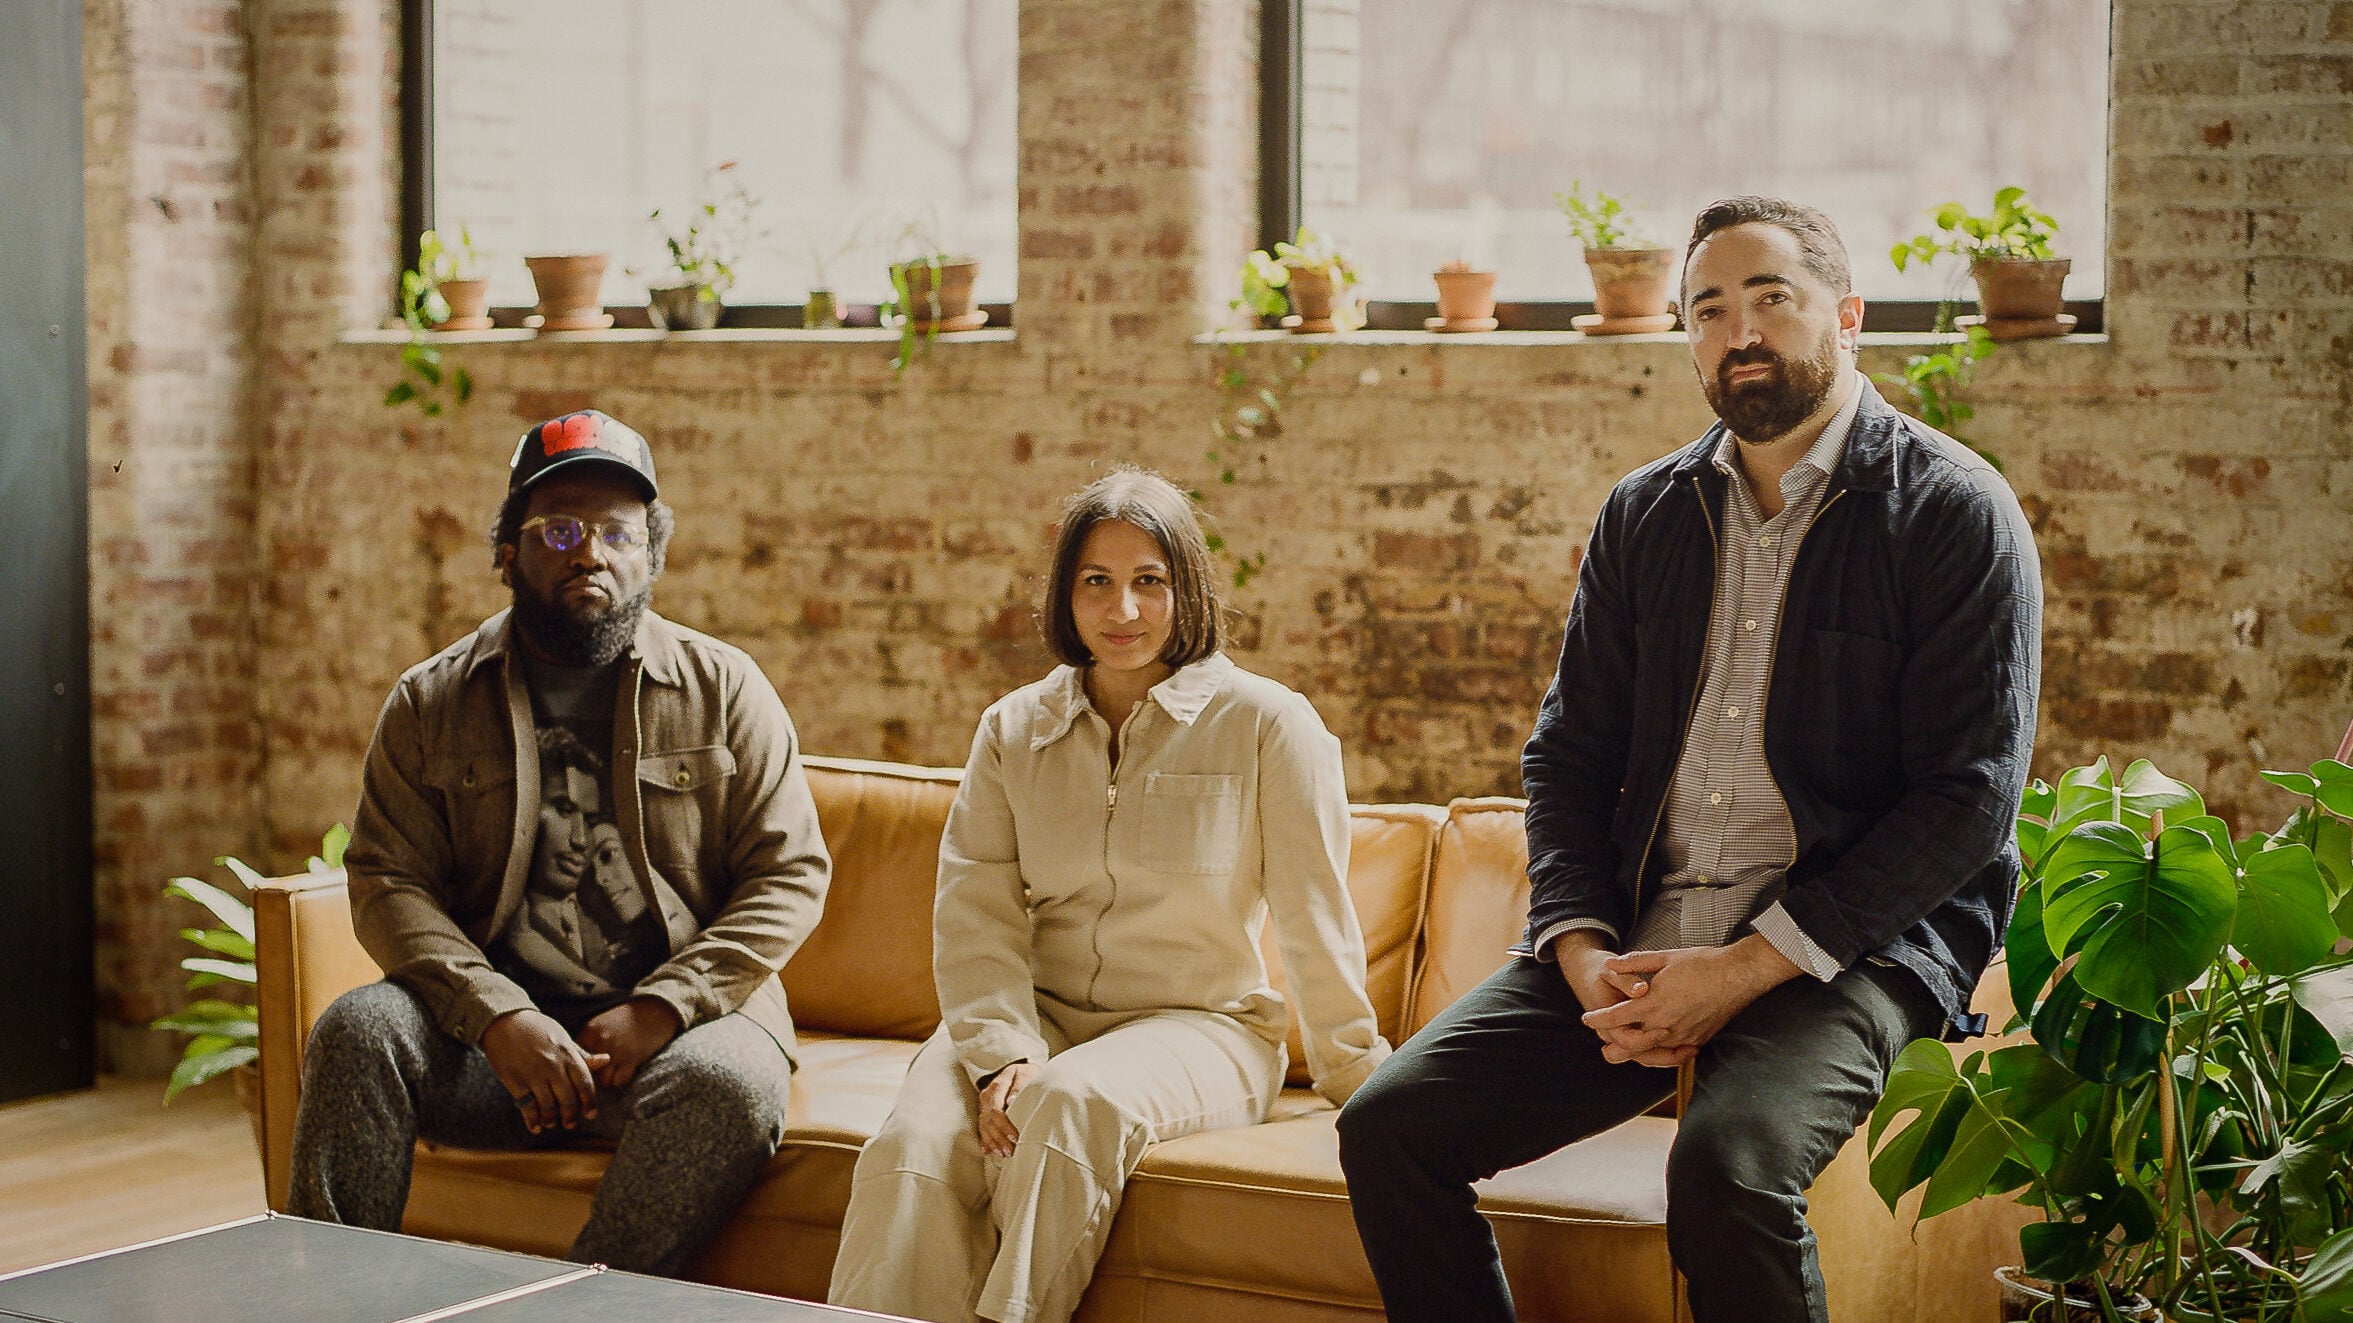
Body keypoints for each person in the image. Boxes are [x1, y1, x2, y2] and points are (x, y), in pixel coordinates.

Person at [1336, 197, 2043, 1323]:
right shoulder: (1644, 515)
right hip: (1638, 934)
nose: (1738, 332)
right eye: (1707, 310)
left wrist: (1745, 967)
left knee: (1722, 1174)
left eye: (1771, 299)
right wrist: (1578, 948)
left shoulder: (1954, 512)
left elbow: (1969, 800)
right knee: (1388, 1127)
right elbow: (1568, 755)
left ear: (1848, 317)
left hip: (1847, 951)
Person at [827, 468, 1392, 1323]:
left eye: (1148, 581)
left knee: (1068, 1104)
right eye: (1096, 581)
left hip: (1202, 1025)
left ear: (1185, 588)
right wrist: (1000, 1054)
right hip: (1035, 1017)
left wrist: (1362, 1079)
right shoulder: (1012, 729)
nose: (1122, 609)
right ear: (1066, 593)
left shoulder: (1268, 723)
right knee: (913, 1147)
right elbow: (974, 910)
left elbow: (1315, 913)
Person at [287, 409, 831, 1276]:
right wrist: (496, 1015)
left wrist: (662, 1008)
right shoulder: (431, 701)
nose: (591, 555)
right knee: (358, 1030)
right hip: (487, 1051)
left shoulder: (725, 688)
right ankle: (326, 1302)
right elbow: (388, 880)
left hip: (678, 1036)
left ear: (652, 555)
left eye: (619, 533)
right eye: (562, 530)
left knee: (728, 1084)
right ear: (508, 553)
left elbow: (790, 874)